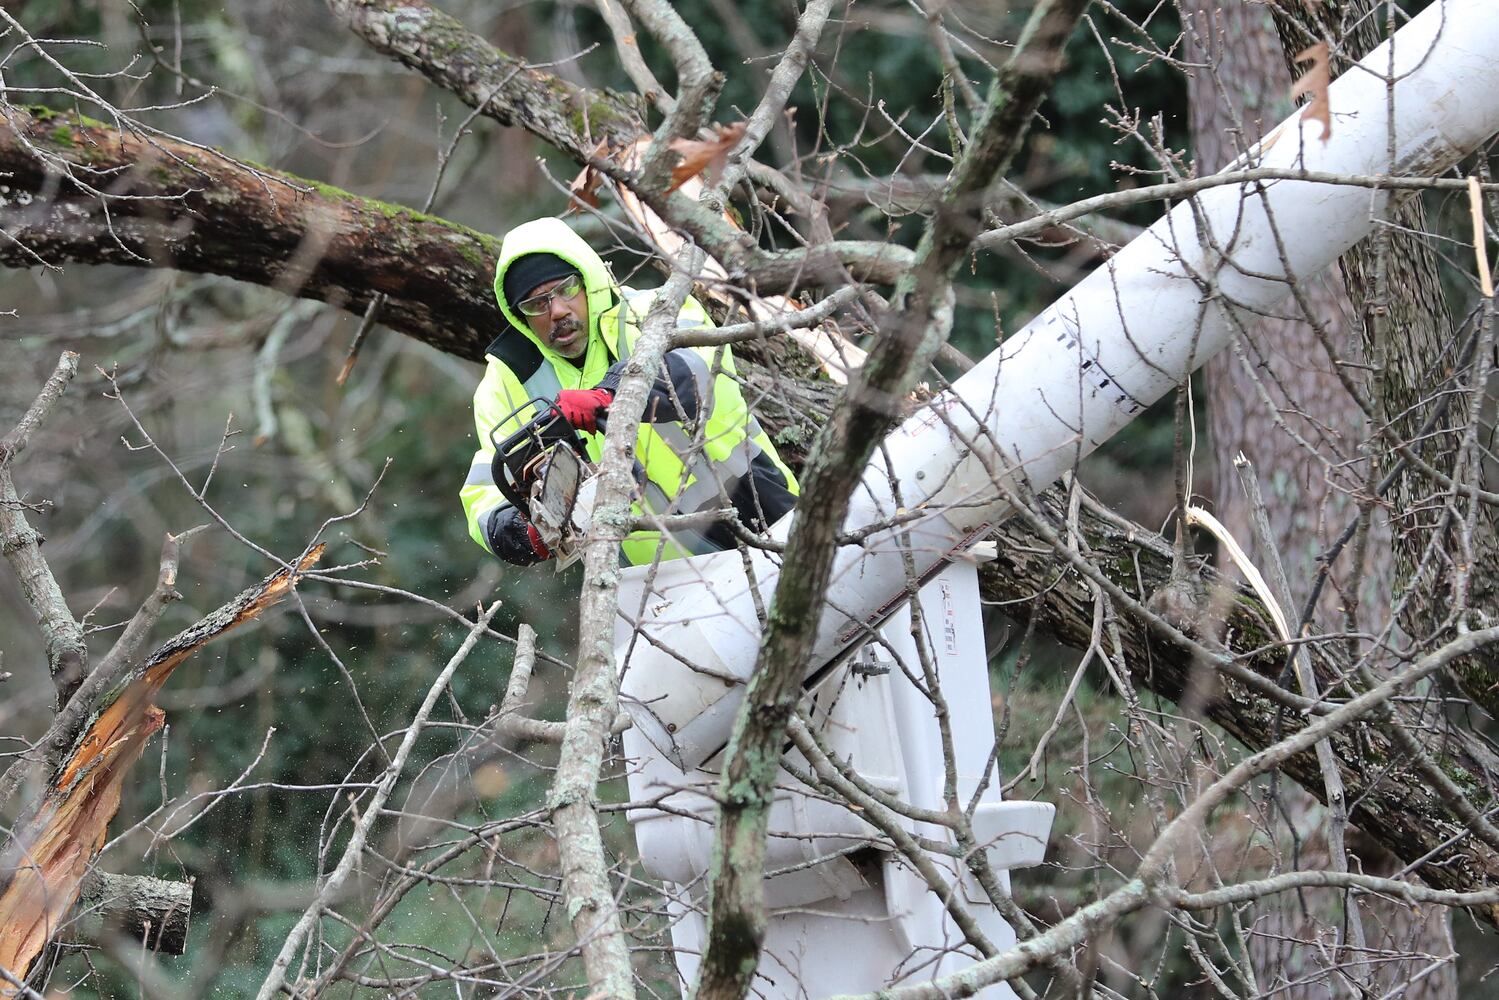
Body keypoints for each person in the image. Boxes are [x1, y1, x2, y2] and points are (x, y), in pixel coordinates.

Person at [461, 216, 799, 566]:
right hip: (653, 581)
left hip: (759, 511)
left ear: (588, 280)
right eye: (536, 304)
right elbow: (486, 484)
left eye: (566, 288)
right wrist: (516, 529)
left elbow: (697, 375)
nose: (557, 310)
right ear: (519, 316)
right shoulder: (508, 380)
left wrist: (610, 395)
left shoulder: (654, 311)